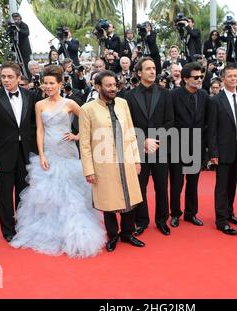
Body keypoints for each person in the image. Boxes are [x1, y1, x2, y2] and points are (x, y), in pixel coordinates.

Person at [9, 65, 106, 257]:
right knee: (49, 195)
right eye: (45, 83)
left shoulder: (70, 103)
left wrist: (77, 136)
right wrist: (42, 154)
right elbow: (39, 130)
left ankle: (74, 233)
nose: (48, 86)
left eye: (52, 83)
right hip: (49, 153)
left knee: (71, 194)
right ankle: (53, 232)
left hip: (68, 153)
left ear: (60, 84)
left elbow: (89, 121)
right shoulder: (40, 105)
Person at [79, 70, 145, 252]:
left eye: (114, 85)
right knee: (108, 201)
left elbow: (131, 132)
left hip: (127, 159)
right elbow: (84, 144)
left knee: (129, 197)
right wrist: (88, 170)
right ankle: (113, 235)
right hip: (103, 162)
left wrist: (137, 159)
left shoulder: (123, 104)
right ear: (98, 87)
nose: (112, 88)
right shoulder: (87, 109)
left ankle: (128, 233)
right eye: (108, 85)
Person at [0, 61, 37, 242]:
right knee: (5, 195)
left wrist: (35, 152)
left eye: (10, 77)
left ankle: (23, 226)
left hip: (25, 153)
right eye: (3, 77)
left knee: (24, 193)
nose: (6, 80)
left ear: (18, 78)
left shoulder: (30, 95)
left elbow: (33, 125)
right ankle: (8, 230)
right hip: (3, 154)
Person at [125, 57, 175, 237]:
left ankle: (162, 220)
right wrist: (143, 141)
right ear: (139, 73)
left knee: (162, 186)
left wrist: (154, 140)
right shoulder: (128, 96)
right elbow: (127, 124)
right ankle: (141, 221)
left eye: (154, 68)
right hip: (139, 149)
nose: (153, 71)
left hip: (160, 148)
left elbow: (170, 121)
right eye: (148, 69)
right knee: (140, 186)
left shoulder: (166, 93)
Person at [169, 62, 211, 228]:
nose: (199, 79)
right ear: (185, 78)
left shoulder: (205, 95)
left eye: (201, 76)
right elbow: (170, 121)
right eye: (195, 77)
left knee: (193, 183)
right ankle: (175, 214)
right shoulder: (173, 95)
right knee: (177, 183)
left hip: (197, 146)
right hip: (178, 146)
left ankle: (190, 213)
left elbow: (208, 122)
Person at [208, 65, 237, 235]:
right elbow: (212, 129)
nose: (233, 78)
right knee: (222, 186)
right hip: (223, 149)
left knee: (233, 184)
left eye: (235, 76)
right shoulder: (216, 100)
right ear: (223, 78)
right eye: (230, 76)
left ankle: (230, 213)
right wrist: (213, 153)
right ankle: (221, 220)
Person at [10, 13, 32, 77]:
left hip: (25, 50)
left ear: (20, 18)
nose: (16, 21)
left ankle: (28, 78)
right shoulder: (13, 26)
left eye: (18, 19)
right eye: (15, 19)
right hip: (17, 48)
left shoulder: (24, 25)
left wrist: (19, 30)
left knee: (25, 65)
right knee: (18, 64)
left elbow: (27, 33)